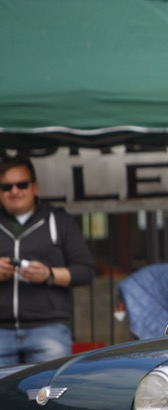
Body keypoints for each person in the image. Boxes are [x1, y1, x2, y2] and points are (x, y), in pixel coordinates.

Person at [0, 154, 95, 364]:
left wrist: (48, 274)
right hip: (1, 331)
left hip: (48, 329)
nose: (14, 191)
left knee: (48, 385)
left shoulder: (59, 220)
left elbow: (86, 271)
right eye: (6, 187)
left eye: (21, 184)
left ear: (35, 187)